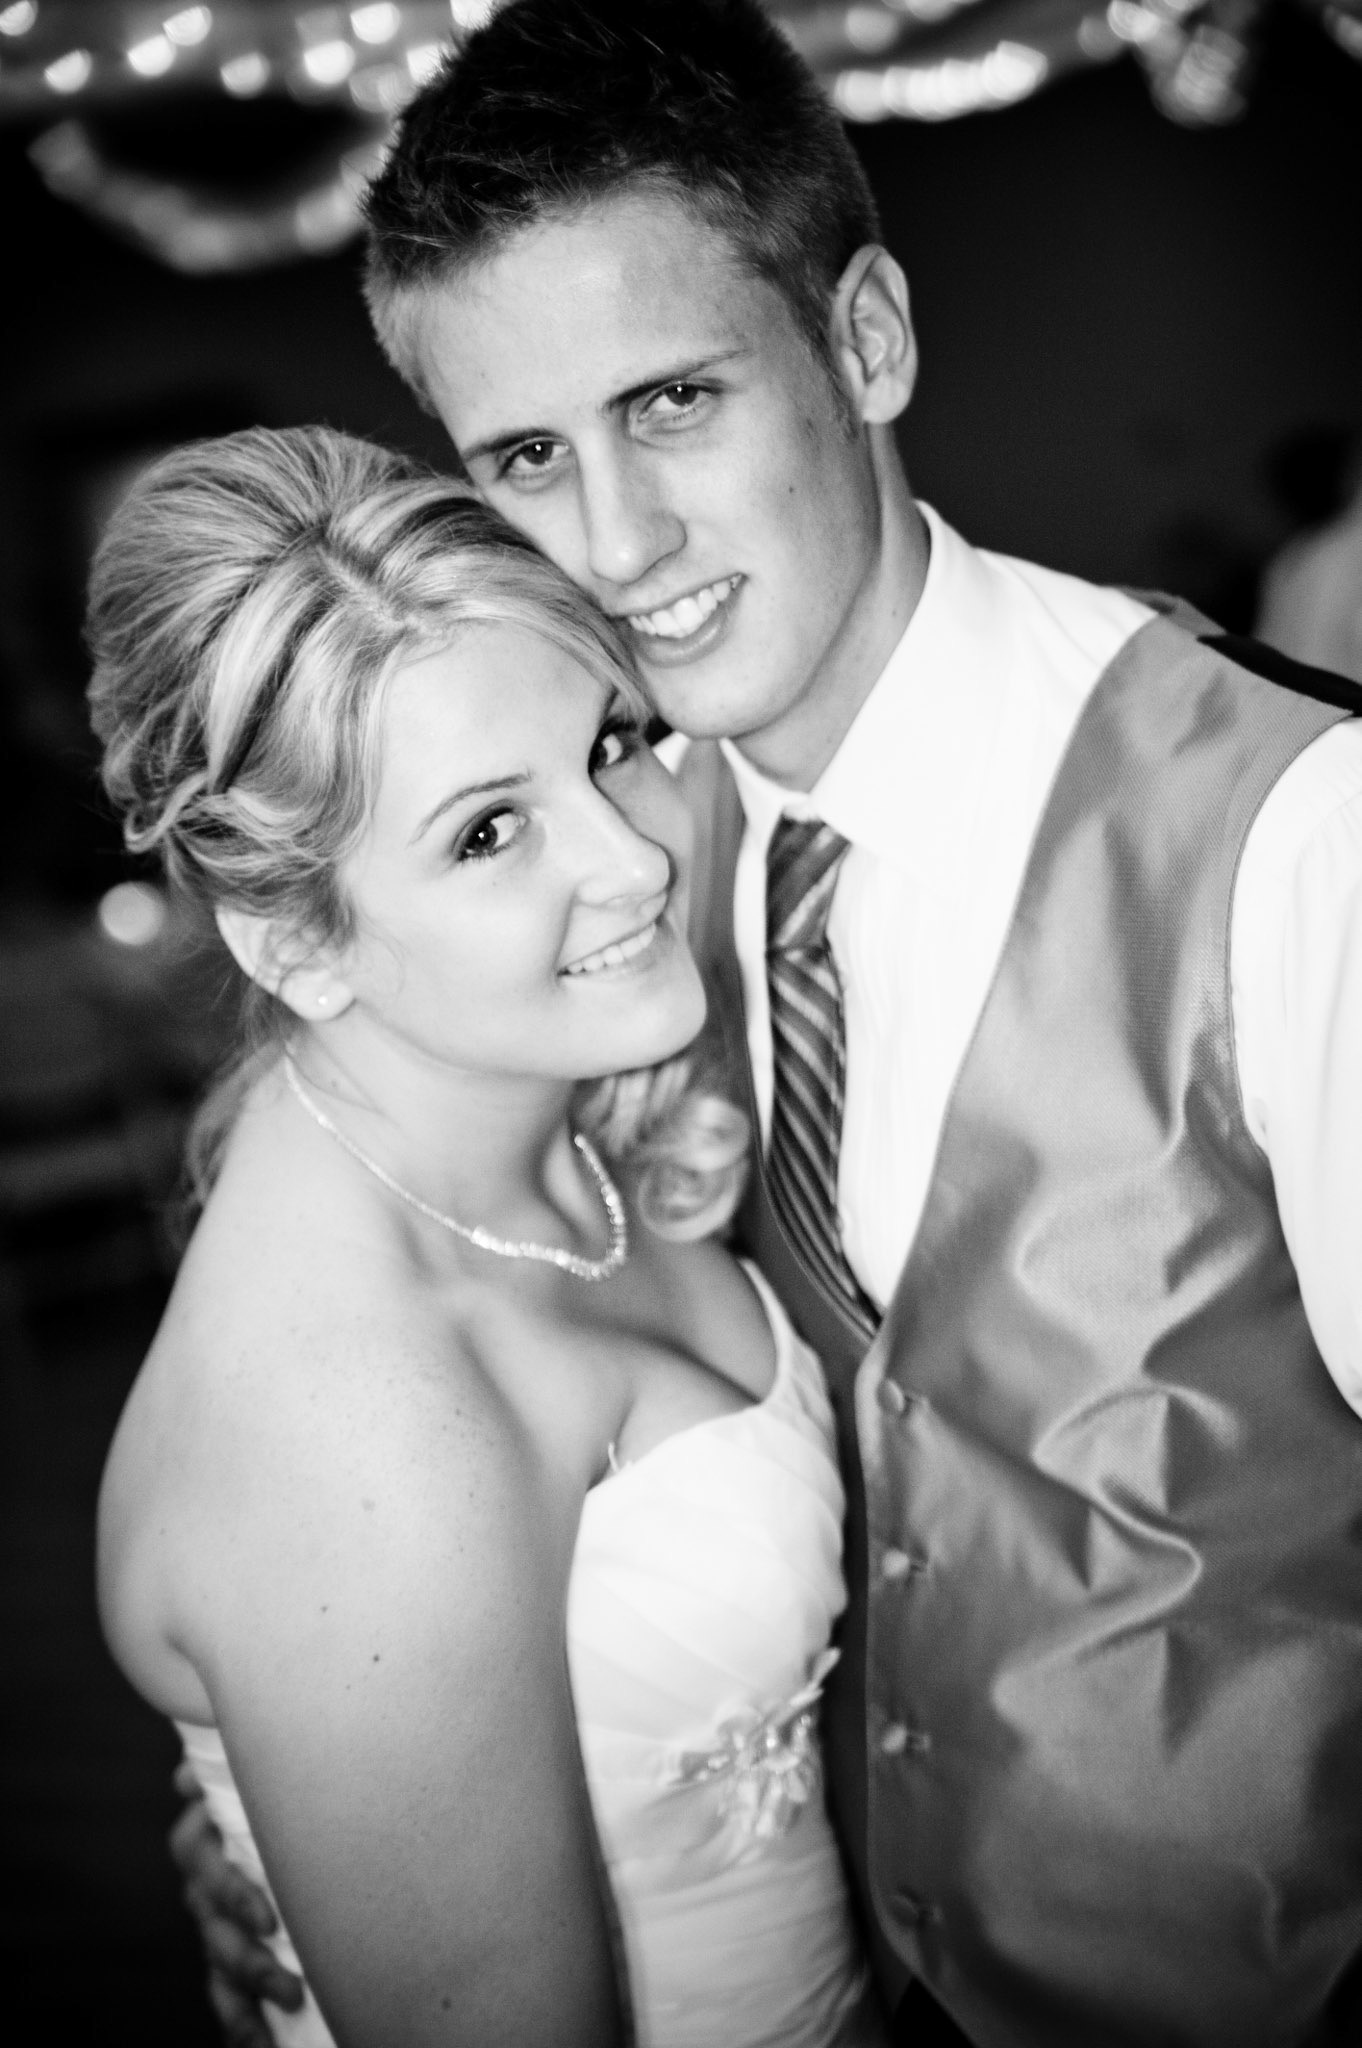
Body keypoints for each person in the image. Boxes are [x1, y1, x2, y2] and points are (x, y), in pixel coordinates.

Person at [178, 2, 1362, 2043]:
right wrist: (295, 1821)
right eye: (525, 458)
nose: (614, 544)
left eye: (672, 402)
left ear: (867, 341)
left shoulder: (1296, 837)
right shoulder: (612, 869)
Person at [90, 422, 887, 2048]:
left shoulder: (559, 1104)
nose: (632, 857)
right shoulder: (357, 1435)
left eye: (611, 743)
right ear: (294, 938)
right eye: (484, 831)